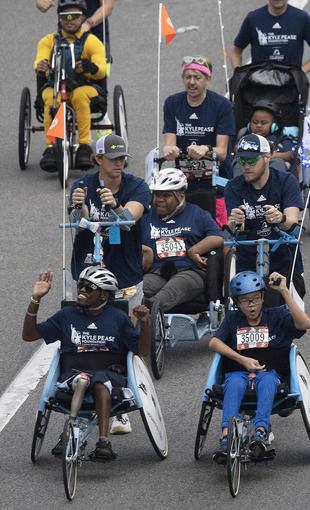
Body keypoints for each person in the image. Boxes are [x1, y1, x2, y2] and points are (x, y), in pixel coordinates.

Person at [22, 267, 150, 461]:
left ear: (103, 294)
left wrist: (145, 323)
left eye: (89, 288)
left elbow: (141, 352)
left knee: (100, 384)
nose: (81, 290)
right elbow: (29, 335)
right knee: (85, 379)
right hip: (73, 374)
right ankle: (70, 430)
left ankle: (103, 443)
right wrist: (36, 299)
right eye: (80, 285)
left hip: (108, 376)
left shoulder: (118, 318)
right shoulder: (66, 316)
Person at [70, 134, 151, 434]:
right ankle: (81, 394)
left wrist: (116, 206)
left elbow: (130, 218)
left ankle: (122, 406)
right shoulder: (82, 186)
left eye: (122, 158)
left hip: (125, 275)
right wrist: (80, 208)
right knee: (86, 340)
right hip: (88, 275)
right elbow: (81, 223)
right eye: (113, 158)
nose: (119, 163)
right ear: (98, 160)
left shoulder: (137, 186)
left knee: (125, 341)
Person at [210, 270, 310, 463]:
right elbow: (214, 343)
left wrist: (284, 291)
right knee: (233, 385)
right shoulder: (232, 319)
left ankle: (260, 433)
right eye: (245, 301)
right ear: (237, 302)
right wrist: (242, 360)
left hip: (268, 373)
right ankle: (226, 436)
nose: (251, 305)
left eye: (255, 299)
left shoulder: (276, 316)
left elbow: (305, 323)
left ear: (263, 297)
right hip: (238, 372)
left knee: (267, 382)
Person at [225, 133, 305, 303]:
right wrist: (235, 222)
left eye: (252, 161)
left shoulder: (286, 181)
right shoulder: (233, 187)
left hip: (282, 253)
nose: (246, 166)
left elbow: (292, 222)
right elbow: (232, 231)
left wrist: (280, 218)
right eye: (241, 161)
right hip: (248, 255)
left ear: (267, 157)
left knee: (289, 303)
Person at [162, 55, 236, 227]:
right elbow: (170, 142)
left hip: (217, 178)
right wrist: (170, 150)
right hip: (185, 177)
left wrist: (206, 149)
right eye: (188, 77)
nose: (192, 82)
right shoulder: (172, 103)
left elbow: (222, 152)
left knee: (217, 228)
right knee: (185, 226)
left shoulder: (222, 105)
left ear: (208, 78)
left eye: (197, 77)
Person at [34, 0, 107, 171]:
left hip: (83, 85)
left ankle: (84, 146)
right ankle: (51, 147)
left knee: (81, 97)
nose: (69, 20)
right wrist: (41, 66)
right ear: (59, 19)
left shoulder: (92, 41)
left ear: (83, 17)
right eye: (64, 16)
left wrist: (91, 67)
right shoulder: (48, 41)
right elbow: (40, 59)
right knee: (52, 100)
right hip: (55, 86)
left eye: (74, 16)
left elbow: (102, 69)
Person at [141, 168, 224, 312]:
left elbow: (217, 237)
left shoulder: (197, 213)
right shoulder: (147, 217)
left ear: (180, 195)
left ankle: (147, 311)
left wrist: (194, 250)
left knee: (174, 287)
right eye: (156, 195)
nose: (159, 200)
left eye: (166, 195)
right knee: (140, 288)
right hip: (157, 271)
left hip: (189, 271)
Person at [231, 0, 310, 74]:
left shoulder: (301, 18)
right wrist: (239, 73)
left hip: (291, 87)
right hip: (259, 87)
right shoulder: (253, 19)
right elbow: (236, 51)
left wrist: (300, 73)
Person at [232, 100, 296, 176]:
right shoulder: (245, 136)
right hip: (248, 164)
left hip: (271, 164)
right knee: (238, 161)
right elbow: (236, 149)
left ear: (274, 126)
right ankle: (239, 186)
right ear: (249, 123)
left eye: (263, 123)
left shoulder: (280, 138)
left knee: (277, 162)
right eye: (255, 122)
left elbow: (290, 154)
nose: (258, 125)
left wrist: (266, 155)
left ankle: (275, 186)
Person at [36, 0, 115, 58]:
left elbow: (108, 6)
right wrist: (42, 3)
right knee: (60, 74)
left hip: (96, 36)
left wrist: (88, 24)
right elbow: (41, 3)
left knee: (99, 73)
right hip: (66, 36)